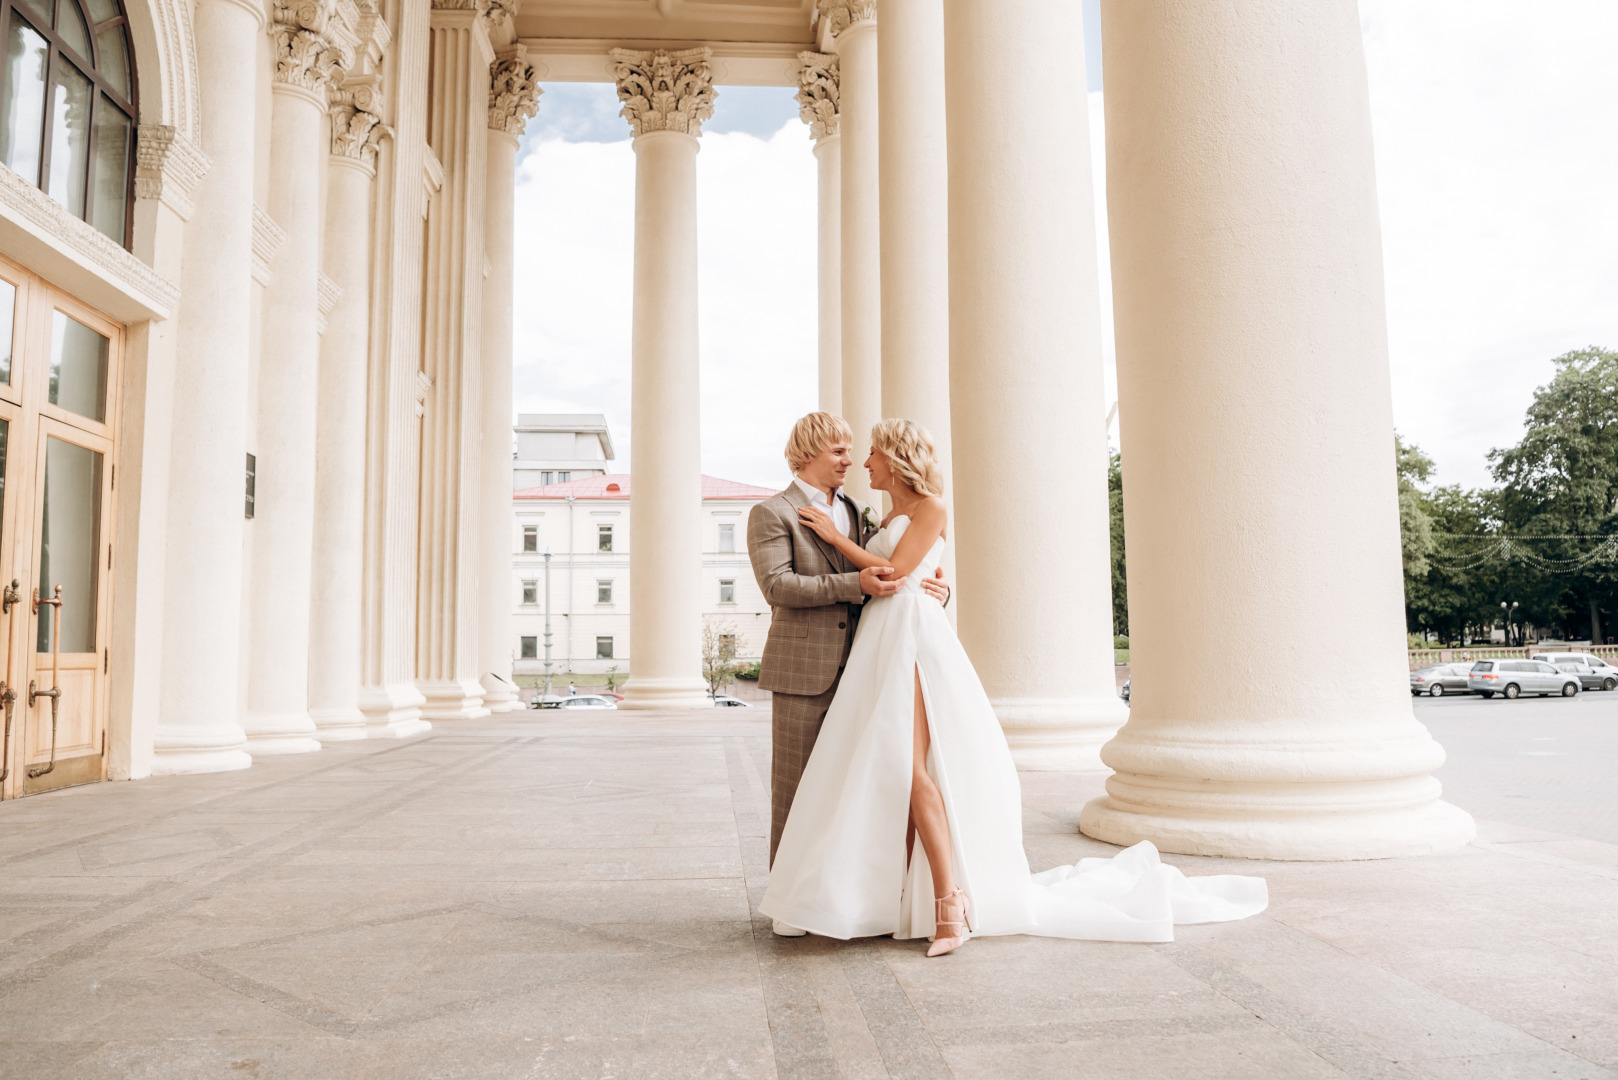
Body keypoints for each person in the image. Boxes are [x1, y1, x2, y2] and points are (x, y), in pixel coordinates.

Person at [759, 418, 1267, 956]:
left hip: (908, 641)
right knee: (879, 771)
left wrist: (859, 550)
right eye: (847, 452)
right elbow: (893, 575)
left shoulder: (926, 508)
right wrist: (925, 580)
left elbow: (898, 573)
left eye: (870, 454)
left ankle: (949, 906)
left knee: (909, 770)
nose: (862, 463)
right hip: (876, 643)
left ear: (895, 456)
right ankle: (894, 899)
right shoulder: (878, 513)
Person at [746, 412, 951, 939]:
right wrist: (855, 583)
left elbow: (908, 568)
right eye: (839, 451)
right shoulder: (771, 513)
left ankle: (851, 898)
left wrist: (937, 593)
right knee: (795, 791)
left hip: (870, 660)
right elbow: (779, 588)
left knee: (857, 784)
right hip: (805, 667)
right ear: (811, 451)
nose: (851, 461)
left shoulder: (863, 513)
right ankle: (791, 906)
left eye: (856, 451)